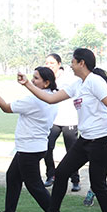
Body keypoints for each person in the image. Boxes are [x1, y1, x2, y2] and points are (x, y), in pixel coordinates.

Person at [21, 48, 107, 212]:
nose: (71, 65)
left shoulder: (95, 81)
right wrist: (27, 84)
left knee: (98, 184)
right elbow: (50, 98)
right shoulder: (77, 84)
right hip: (84, 139)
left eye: (73, 61)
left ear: (82, 63)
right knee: (61, 173)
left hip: (102, 139)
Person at [0, 68, 58, 212]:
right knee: (13, 177)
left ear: (46, 83)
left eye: (36, 78)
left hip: (29, 148)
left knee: (34, 185)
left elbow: (5, 107)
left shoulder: (35, 101)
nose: (32, 81)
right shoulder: (52, 97)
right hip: (33, 147)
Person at [42, 53, 81, 192]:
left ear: (59, 64)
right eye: (47, 63)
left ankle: (75, 179)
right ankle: (50, 175)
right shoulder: (45, 79)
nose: (49, 65)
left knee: (72, 151)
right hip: (53, 119)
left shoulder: (70, 79)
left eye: (52, 62)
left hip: (69, 118)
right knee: (47, 147)